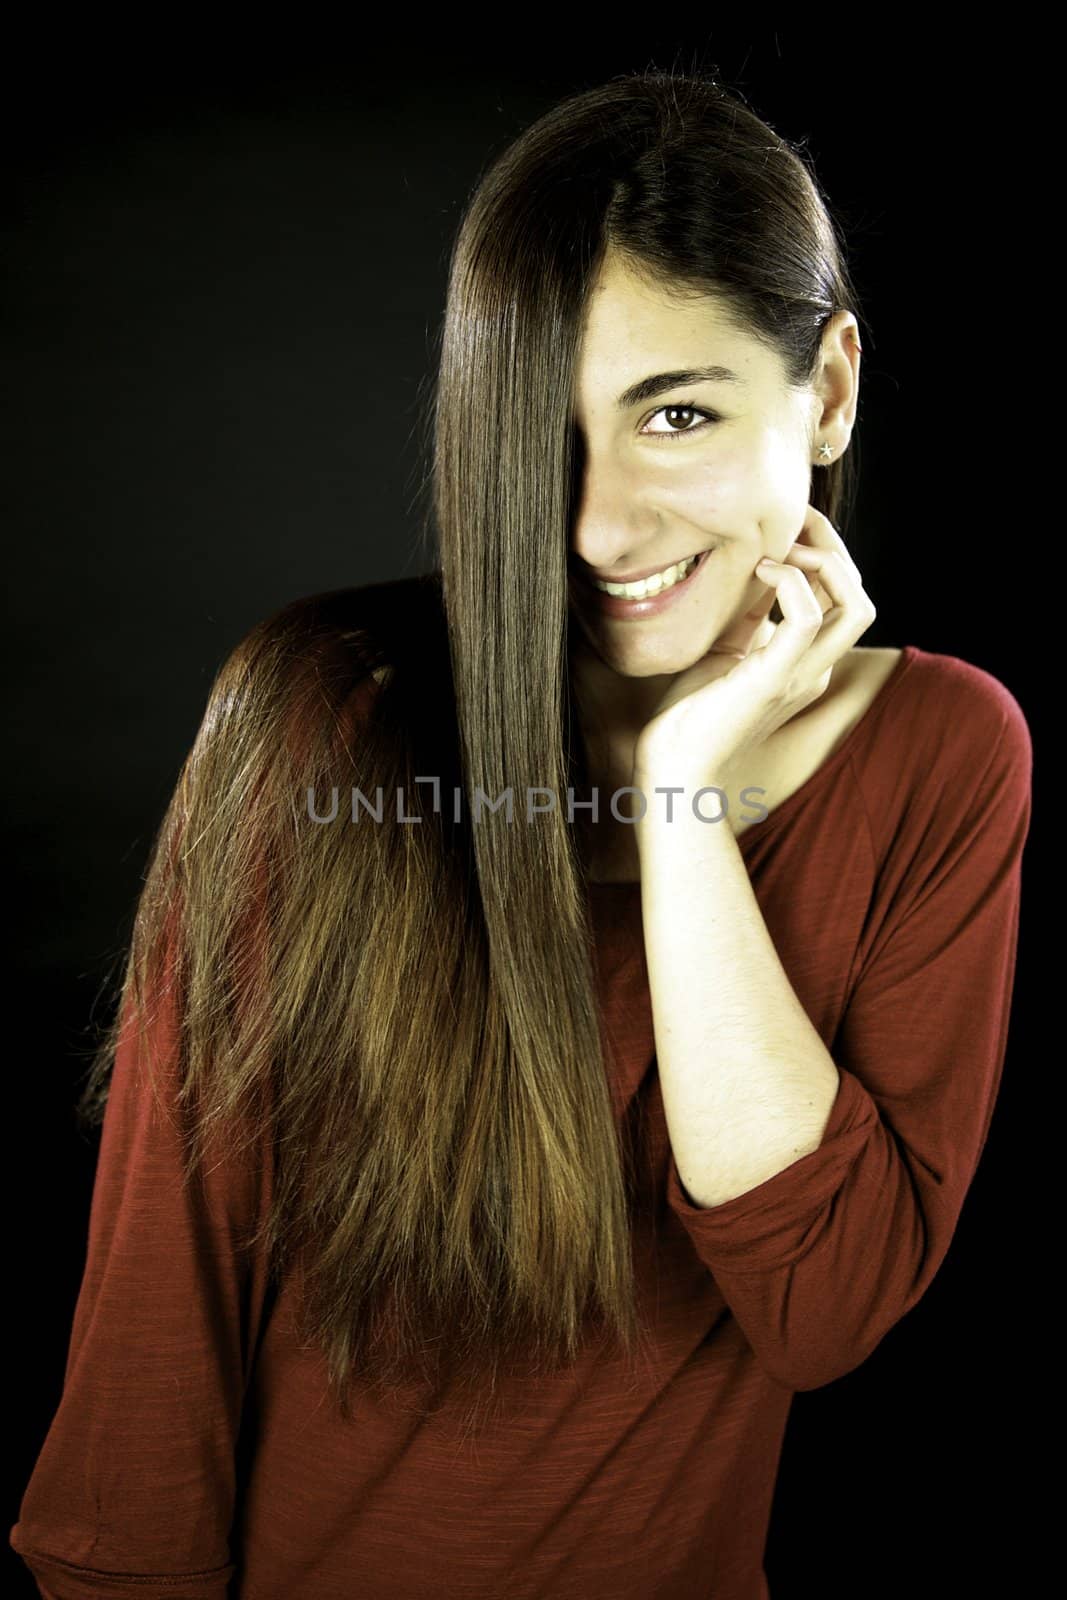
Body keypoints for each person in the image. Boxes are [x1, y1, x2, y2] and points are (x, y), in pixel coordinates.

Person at [10, 67, 1031, 1600]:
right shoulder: (318, 723)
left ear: (827, 391)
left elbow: (825, 1307)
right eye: (538, 433)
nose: (600, 526)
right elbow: (159, 1332)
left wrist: (688, 804)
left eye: (675, 415)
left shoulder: (945, 758)